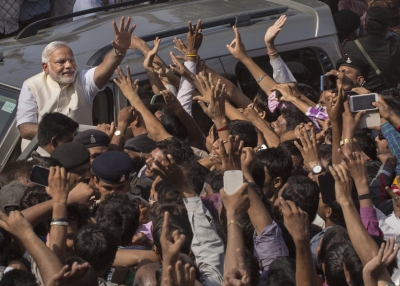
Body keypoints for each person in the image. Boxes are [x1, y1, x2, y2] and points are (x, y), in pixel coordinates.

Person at [16, 16, 136, 150]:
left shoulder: (83, 79)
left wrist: (119, 51)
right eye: (61, 62)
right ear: (45, 67)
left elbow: (103, 71)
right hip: (42, 160)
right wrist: (63, 133)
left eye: (72, 60)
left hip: (78, 161)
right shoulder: (31, 86)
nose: (69, 66)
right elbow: (25, 129)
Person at [343, 6, 400, 92]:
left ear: (364, 25)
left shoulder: (347, 46)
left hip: (356, 99)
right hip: (383, 100)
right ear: (386, 30)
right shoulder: (395, 49)